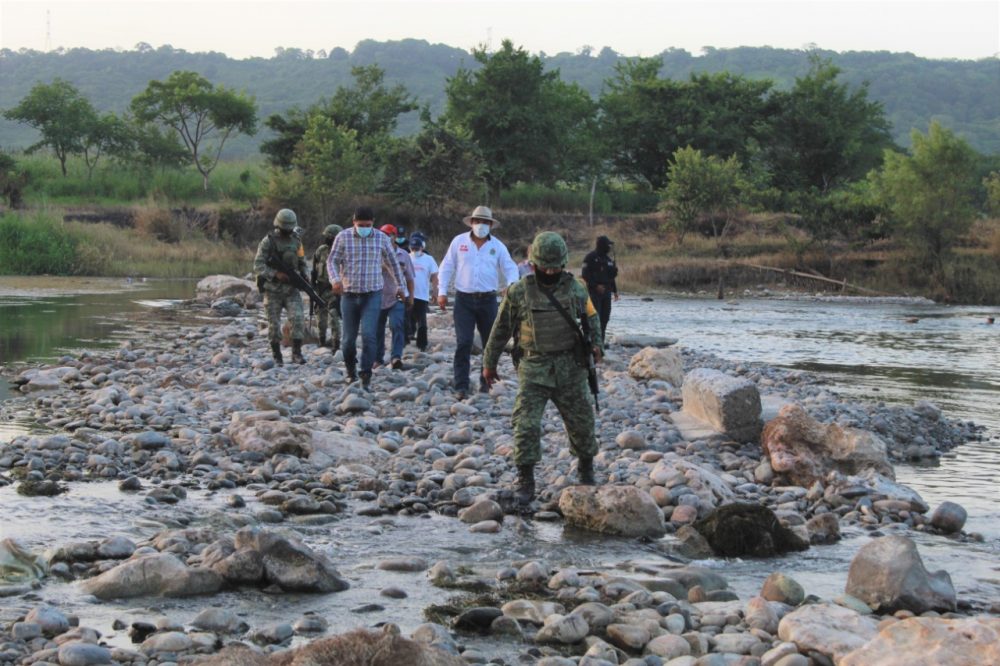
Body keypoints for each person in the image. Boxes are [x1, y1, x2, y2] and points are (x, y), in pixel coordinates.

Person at [482, 231, 604, 506]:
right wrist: (489, 363)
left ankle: (586, 470)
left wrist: (597, 345)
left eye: (556, 267)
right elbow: (500, 329)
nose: (551, 272)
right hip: (534, 367)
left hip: (570, 367)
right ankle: (525, 479)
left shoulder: (576, 289)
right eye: (546, 267)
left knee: (583, 422)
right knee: (525, 425)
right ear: (534, 264)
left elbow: (591, 318)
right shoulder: (518, 292)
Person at [437, 205, 519, 398]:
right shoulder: (459, 242)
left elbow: (510, 268)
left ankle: (486, 382)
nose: (481, 225)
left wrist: (512, 285)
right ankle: (461, 385)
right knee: (464, 342)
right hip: (463, 299)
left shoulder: (497, 246)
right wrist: (441, 292)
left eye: (485, 222)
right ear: (471, 222)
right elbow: (446, 266)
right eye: (478, 221)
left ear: (490, 225)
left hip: (488, 300)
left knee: (489, 343)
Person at [327, 206, 407, 390]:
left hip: (372, 295)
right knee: (348, 340)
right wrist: (335, 280)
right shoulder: (343, 237)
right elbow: (332, 260)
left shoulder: (381, 238)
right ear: (354, 222)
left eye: (368, 225)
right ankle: (350, 371)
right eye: (360, 225)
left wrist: (400, 286)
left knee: (370, 336)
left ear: (373, 223)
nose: (364, 228)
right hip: (349, 294)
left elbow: (393, 263)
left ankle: (365, 374)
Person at [253, 208, 308, 366]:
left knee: (298, 319)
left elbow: (302, 261)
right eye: (285, 228)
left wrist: (305, 276)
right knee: (274, 324)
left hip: (291, 290)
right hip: (273, 291)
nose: (288, 231)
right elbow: (258, 265)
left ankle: (296, 353)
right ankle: (277, 355)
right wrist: (275, 274)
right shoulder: (268, 241)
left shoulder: (296, 241)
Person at [374, 223, 415, 370]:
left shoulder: (404, 255)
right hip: (377, 297)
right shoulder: (374, 253)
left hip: (397, 296)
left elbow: (410, 277)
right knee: (377, 328)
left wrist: (411, 297)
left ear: (394, 237)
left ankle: (396, 356)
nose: (386, 238)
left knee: (397, 325)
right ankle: (378, 358)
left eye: (389, 235)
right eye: (383, 235)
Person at [581, 235, 619, 346]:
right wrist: (596, 286)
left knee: (605, 318)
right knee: (594, 319)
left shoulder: (608, 260)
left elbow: (611, 278)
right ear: (602, 245)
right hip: (594, 292)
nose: (609, 247)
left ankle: (600, 343)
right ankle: (592, 343)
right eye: (607, 245)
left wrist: (615, 291)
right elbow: (585, 275)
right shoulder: (590, 257)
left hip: (607, 293)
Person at [311, 223, 343, 349]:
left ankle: (336, 344)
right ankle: (322, 341)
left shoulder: (343, 251)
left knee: (334, 317)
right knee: (320, 318)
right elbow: (314, 268)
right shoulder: (321, 250)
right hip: (321, 289)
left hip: (335, 290)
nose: (327, 239)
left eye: (329, 237)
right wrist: (312, 285)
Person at [408, 232, 438, 352]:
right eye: (413, 248)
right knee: (408, 320)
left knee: (422, 322)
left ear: (422, 248)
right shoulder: (406, 257)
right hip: (408, 295)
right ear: (410, 247)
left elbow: (435, 276)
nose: (415, 250)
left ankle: (422, 344)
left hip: (422, 295)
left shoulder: (428, 259)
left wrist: (435, 292)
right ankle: (406, 340)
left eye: (417, 248)